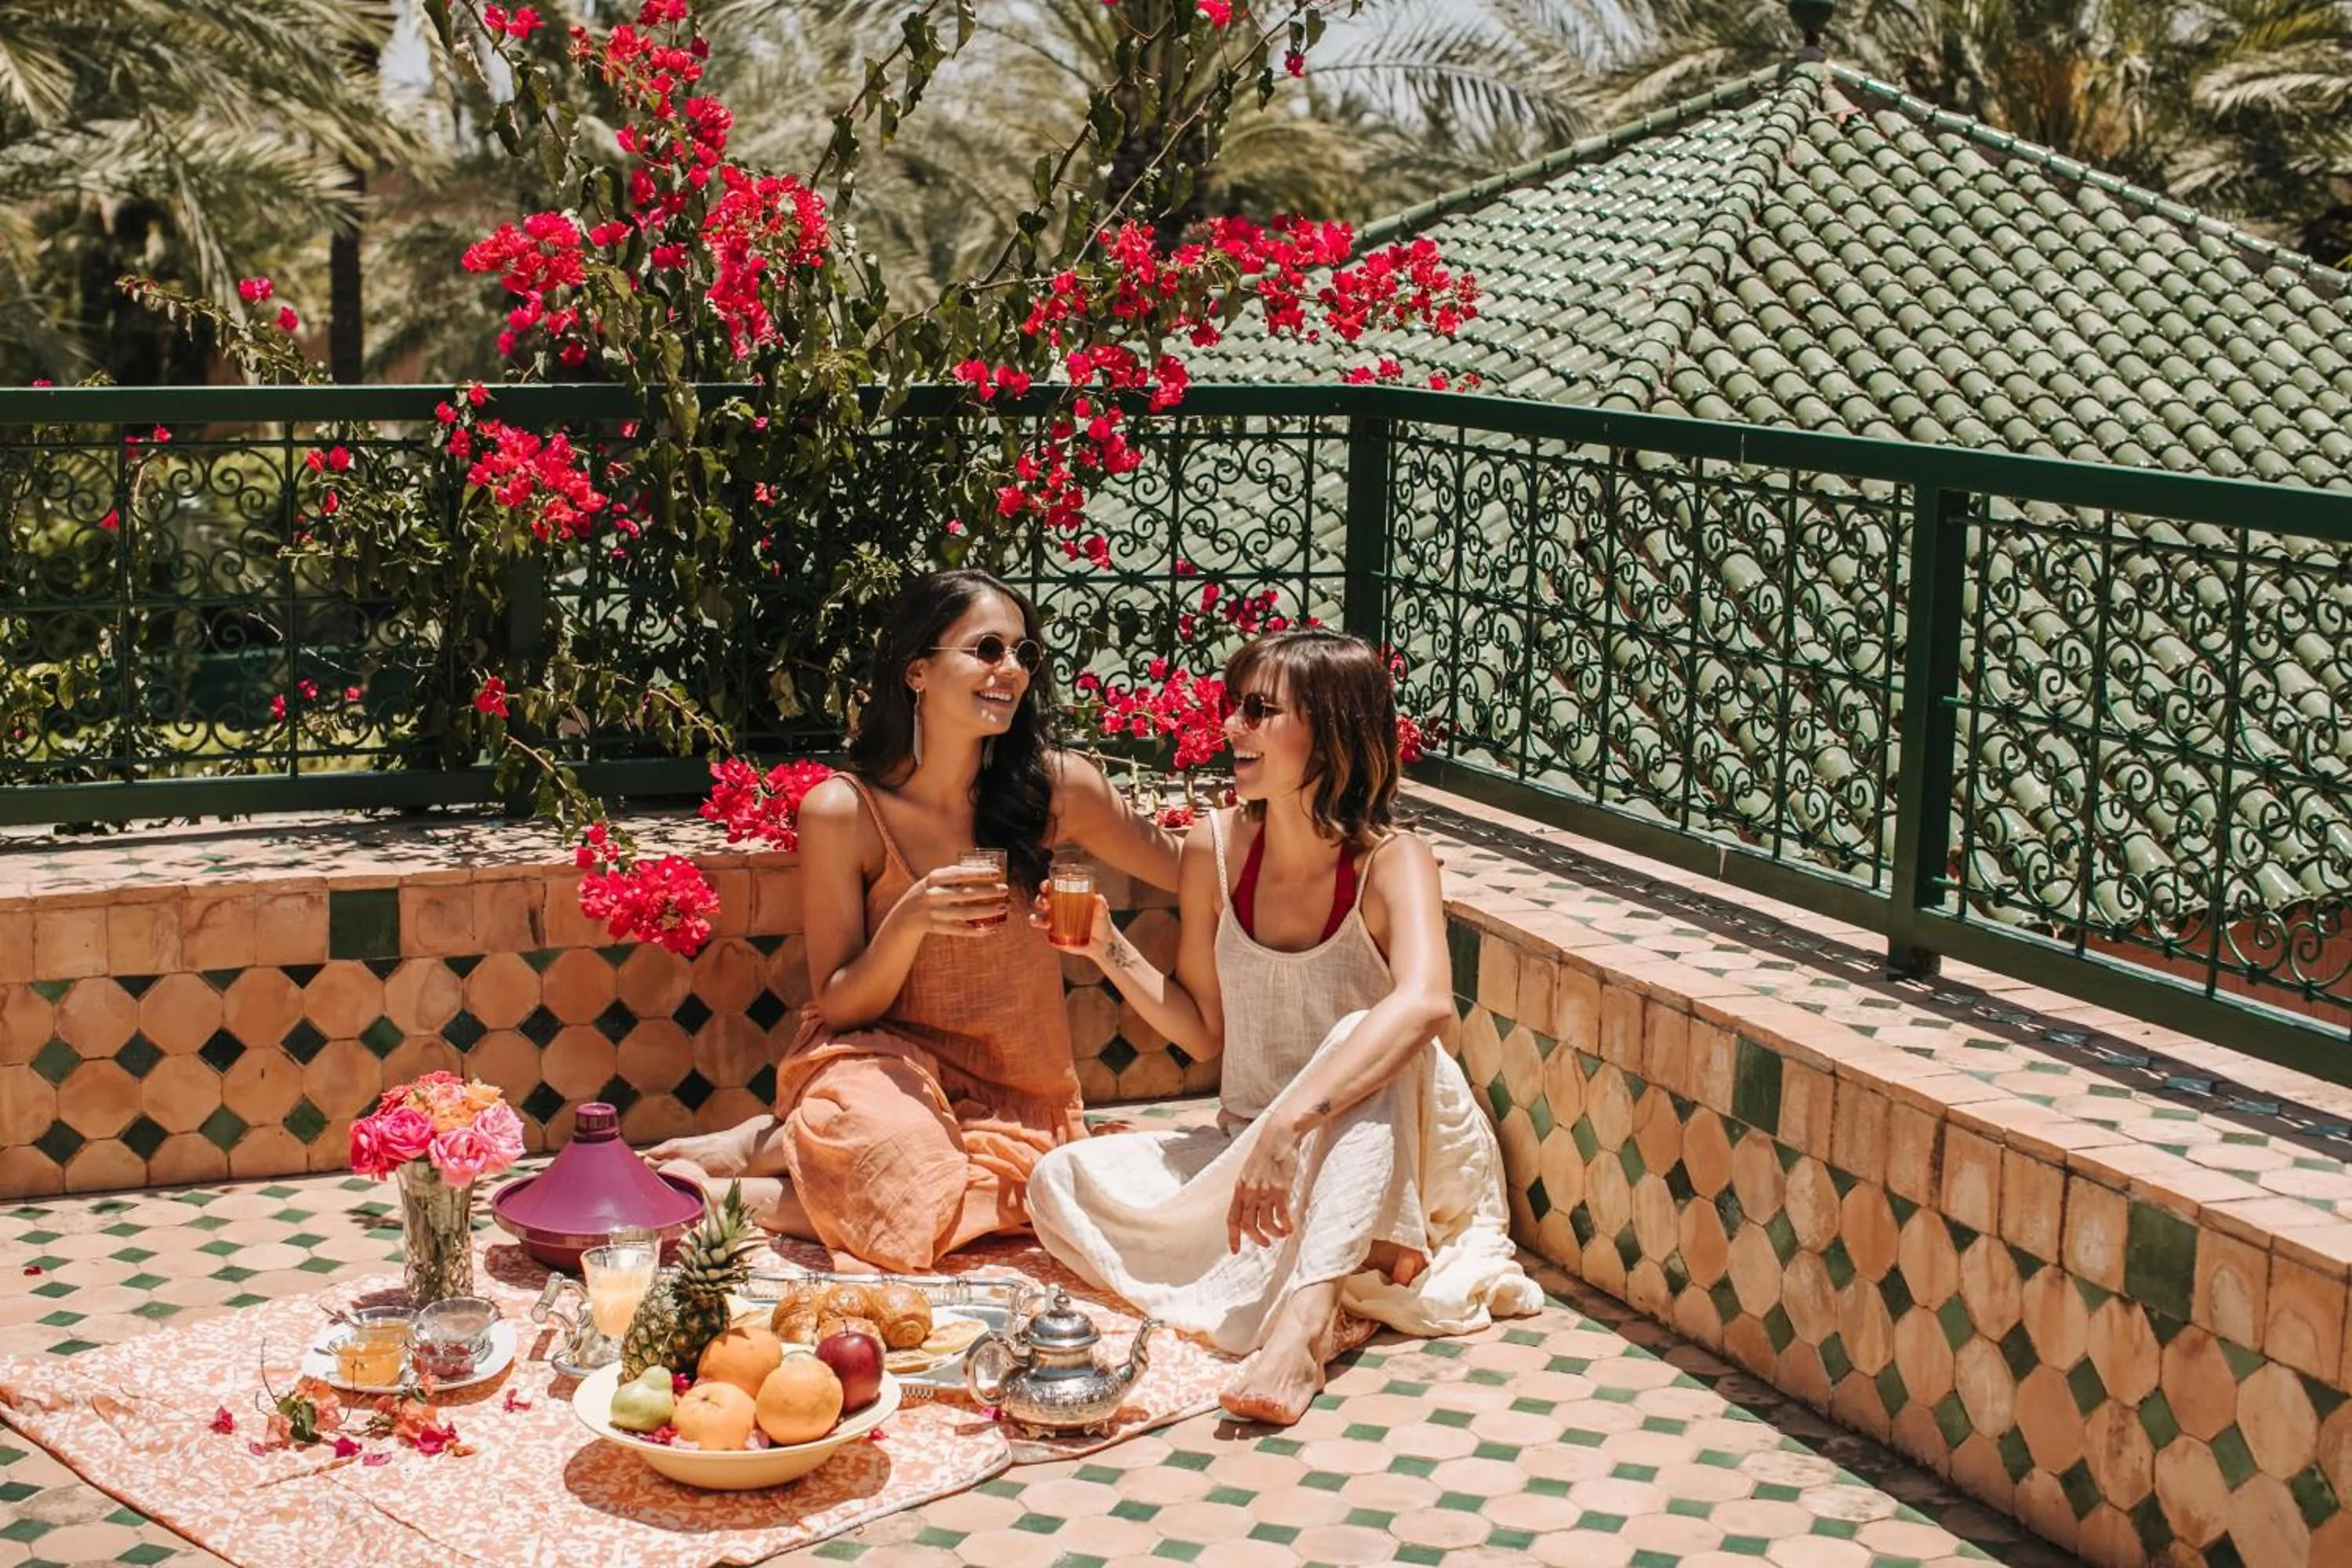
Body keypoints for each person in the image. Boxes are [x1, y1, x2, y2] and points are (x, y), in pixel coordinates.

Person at [1025, 627, 1541, 1425]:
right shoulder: (1215, 848)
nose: (1232, 726)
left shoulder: (1393, 860)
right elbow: (1204, 1034)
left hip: (1401, 1137)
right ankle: (1349, 1248)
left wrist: (1292, 1123)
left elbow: (1427, 1002)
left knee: (1365, 1028)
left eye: (1260, 711)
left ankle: (1305, 1328)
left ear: (1330, 728)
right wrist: (1106, 947)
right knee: (1060, 1178)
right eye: (1236, 706)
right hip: (1255, 1147)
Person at [647, 568, 1181, 1271]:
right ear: (917, 671)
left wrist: (1297, 817)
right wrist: (911, 919)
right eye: (986, 649)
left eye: (1023, 653)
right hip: (881, 1068)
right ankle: (777, 1147)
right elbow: (842, 1006)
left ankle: (732, 1185)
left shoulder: (1055, 790)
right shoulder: (845, 812)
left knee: (1014, 1195)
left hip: (1013, 1096)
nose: (1011, 669)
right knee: (899, 1150)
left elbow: (1187, 869)